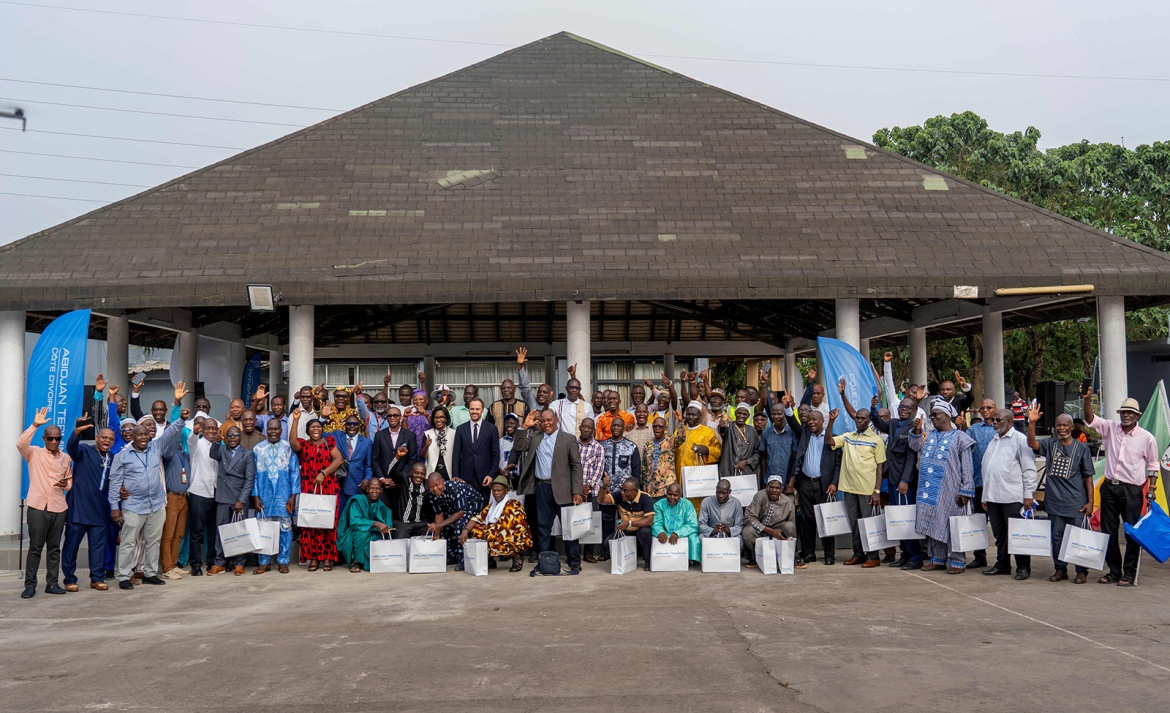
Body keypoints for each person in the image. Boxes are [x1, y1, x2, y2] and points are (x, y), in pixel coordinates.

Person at [1083, 388, 1160, 587]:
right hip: (1109, 488)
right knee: (1108, 532)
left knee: (1131, 532)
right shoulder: (1110, 428)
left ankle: (1129, 573)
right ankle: (1114, 571)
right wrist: (1087, 400)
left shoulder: (1147, 438)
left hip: (1132, 491)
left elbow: (1153, 464)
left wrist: (1151, 488)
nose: (1126, 415)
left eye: (1130, 413)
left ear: (1137, 416)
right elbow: (1090, 419)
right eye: (1123, 412)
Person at [108, 416, 184, 590]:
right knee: (128, 542)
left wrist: (180, 416)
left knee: (153, 540)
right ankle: (124, 576)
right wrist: (114, 506)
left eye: (145, 435)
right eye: (139, 435)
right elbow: (114, 481)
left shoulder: (155, 447)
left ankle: (149, 573)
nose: (143, 437)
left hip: (156, 503)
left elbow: (170, 433)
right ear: (133, 437)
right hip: (133, 505)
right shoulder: (122, 456)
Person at [513, 408, 585, 574]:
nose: (546, 424)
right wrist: (524, 426)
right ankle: (544, 561)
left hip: (564, 489)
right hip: (542, 488)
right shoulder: (535, 437)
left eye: (549, 420)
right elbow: (519, 446)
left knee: (569, 528)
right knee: (543, 527)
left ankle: (574, 561)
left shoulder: (568, 439)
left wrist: (577, 491)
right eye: (543, 421)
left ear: (556, 419)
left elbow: (576, 466)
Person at [1027, 408, 1094, 583]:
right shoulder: (1050, 444)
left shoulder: (1082, 448)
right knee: (1057, 537)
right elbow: (1032, 444)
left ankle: (1081, 571)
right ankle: (1060, 569)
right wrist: (1032, 423)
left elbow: (1088, 477)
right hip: (1054, 502)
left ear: (1072, 427)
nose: (1061, 428)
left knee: (1078, 537)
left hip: (1076, 502)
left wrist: (1090, 502)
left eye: (1065, 425)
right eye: (1058, 425)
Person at [909, 402, 976, 574]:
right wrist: (916, 431)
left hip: (951, 490)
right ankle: (937, 559)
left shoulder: (961, 438)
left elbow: (967, 467)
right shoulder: (929, 434)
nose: (933, 417)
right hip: (928, 489)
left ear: (947, 416)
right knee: (932, 523)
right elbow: (915, 446)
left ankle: (957, 560)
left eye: (936, 414)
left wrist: (966, 490)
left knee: (952, 525)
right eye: (931, 415)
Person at [17, 407, 73, 598]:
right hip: (37, 507)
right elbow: (20, 444)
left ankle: (52, 583)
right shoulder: (33, 453)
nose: (54, 442)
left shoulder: (66, 458)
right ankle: (30, 585)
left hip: (58, 507)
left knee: (54, 548)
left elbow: (70, 481)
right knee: (35, 548)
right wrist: (34, 425)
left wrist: (66, 484)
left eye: (58, 438)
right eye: (51, 438)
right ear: (44, 439)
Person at [979, 408, 1038, 580]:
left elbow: (1029, 469)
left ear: (1010, 421)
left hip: (1013, 496)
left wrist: (1028, 495)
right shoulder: (994, 440)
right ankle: (1002, 564)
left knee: (1017, 534)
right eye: (994, 419)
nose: (995, 422)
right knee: (1000, 535)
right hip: (993, 497)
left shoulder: (1020, 440)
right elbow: (987, 470)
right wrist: (985, 496)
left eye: (999, 419)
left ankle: (1023, 567)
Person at [829, 392, 885, 568]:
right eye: (857, 418)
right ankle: (858, 554)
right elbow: (828, 440)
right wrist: (831, 421)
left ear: (869, 421)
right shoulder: (848, 437)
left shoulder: (876, 440)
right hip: (849, 488)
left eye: (862, 418)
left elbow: (880, 467)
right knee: (854, 523)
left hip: (867, 490)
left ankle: (873, 556)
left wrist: (877, 491)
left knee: (868, 523)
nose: (858, 421)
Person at [869, 395, 925, 570]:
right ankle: (904, 555)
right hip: (892, 478)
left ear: (913, 411)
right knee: (897, 519)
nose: (903, 409)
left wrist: (905, 480)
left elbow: (911, 457)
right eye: (901, 406)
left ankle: (915, 557)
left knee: (906, 519)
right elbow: (879, 423)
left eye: (907, 408)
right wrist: (873, 409)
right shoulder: (893, 423)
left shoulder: (913, 427)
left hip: (903, 481)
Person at [290, 407, 345, 572]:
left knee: (328, 523)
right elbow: (293, 442)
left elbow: (339, 460)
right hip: (309, 487)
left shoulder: (329, 442)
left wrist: (323, 473)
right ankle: (313, 559)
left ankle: (327, 558)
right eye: (312, 427)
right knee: (310, 523)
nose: (316, 429)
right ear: (307, 431)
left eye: (318, 427)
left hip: (328, 487)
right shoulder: (304, 445)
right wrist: (296, 419)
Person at [63, 414, 113, 591]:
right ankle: (69, 579)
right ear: (97, 438)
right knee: (71, 547)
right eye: (104, 437)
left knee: (98, 549)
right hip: (78, 510)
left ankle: (97, 578)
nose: (107, 441)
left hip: (99, 511)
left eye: (111, 439)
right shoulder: (84, 450)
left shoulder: (113, 458)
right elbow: (71, 447)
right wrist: (76, 432)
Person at [790, 410, 842, 565]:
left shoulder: (832, 437)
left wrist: (834, 483)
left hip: (824, 484)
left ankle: (829, 554)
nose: (810, 422)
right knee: (807, 520)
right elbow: (792, 422)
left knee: (826, 519)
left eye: (814, 420)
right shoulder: (805, 435)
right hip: (805, 482)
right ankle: (809, 553)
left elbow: (839, 464)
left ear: (822, 421)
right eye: (809, 420)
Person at [251, 418, 300, 574]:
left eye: (276, 429)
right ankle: (264, 562)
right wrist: (255, 496)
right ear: (266, 430)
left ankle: (283, 561)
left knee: (285, 529)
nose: (273, 432)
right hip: (264, 495)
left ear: (281, 430)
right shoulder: (258, 449)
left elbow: (294, 473)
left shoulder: (288, 448)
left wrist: (293, 496)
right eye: (270, 429)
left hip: (283, 494)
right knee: (263, 529)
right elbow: (254, 476)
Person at [208, 426, 257, 576]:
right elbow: (212, 454)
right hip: (223, 496)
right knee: (221, 530)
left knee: (239, 531)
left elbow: (250, 479)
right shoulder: (222, 450)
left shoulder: (247, 454)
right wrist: (216, 443)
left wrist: (241, 500)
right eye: (229, 435)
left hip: (239, 498)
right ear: (226, 437)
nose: (232, 438)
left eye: (236, 435)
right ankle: (219, 562)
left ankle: (239, 563)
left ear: (240, 437)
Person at [463, 475, 534, 572]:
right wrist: (465, 531)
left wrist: (489, 535)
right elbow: (479, 517)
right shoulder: (492, 505)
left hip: (513, 537)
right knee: (476, 531)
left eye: (499, 490)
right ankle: (490, 559)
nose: (496, 493)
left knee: (496, 539)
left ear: (506, 491)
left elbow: (507, 526)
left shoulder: (513, 505)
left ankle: (517, 556)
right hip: (495, 533)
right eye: (494, 491)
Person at [966, 399, 999, 570]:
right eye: (983, 408)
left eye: (989, 407)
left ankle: (1002, 559)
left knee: (997, 523)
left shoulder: (1002, 429)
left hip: (997, 484)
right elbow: (963, 445)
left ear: (996, 409)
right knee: (979, 521)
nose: (985, 410)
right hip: (978, 482)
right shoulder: (973, 429)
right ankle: (980, 556)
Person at [425, 472, 484, 570]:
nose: (435, 489)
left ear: (443, 482)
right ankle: (451, 556)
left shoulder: (455, 488)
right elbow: (439, 514)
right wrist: (437, 535)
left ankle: (463, 559)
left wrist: (438, 526)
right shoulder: (432, 495)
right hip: (454, 509)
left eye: (437, 485)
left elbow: (460, 513)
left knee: (458, 525)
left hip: (472, 505)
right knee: (444, 528)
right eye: (431, 487)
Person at [596, 476, 656, 570]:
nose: (622, 493)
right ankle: (627, 559)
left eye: (626, 491)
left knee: (645, 532)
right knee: (608, 543)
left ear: (635, 491)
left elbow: (649, 520)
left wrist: (629, 523)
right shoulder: (620, 496)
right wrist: (604, 487)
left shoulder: (645, 498)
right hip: (626, 531)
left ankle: (648, 561)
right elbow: (601, 500)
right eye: (621, 489)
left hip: (639, 529)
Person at [336, 478, 394, 572]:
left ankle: (373, 561)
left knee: (376, 538)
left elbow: (387, 525)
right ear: (367, 489)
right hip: (355, 531)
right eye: (371, 488)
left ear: (381, 490)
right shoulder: (358, 501)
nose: (374, 491)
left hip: (374, 533)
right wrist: (376, 523)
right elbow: (355, 521)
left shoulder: (382, 506)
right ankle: (356, 561)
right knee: (363, 533)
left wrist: (386, 529)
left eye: (377, 489)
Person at [186, 417, 220, 576]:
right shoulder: (197, 444)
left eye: (214, 429)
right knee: (197, 532)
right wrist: (194, 432)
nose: (211, 431)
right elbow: (191, 442)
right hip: (199, 492)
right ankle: (196, 565)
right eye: (208, 428)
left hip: (216, 493)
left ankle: (211, 562)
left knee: (213, 532)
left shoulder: (219, 446)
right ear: (203, 429)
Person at [371, 405, 418, 520]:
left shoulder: (410, 435)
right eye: (389, 416)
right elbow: (375, 459)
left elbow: (413, 459)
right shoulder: (379, 435)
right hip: (384, 484)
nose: (392, 418)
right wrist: (382, 478)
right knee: (383, 516)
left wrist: (403, 476)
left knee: (400, 517)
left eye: (395, 415)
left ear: (400, 417)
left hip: (402, 484)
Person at [742, 476, 798, 566]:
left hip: (779, 532)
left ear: (782, 489)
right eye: (771, 487)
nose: (774, 490)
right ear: (767, 487)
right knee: (747, 531)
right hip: (760, 531)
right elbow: (748, 518)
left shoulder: (788, 502)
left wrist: (784, 536)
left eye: (777, 488)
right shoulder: (760, 495)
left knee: (790, 526)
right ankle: (756, 558)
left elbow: (792, 524)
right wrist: (771, 531)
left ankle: (791, 556)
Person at [453, 397, 500, 499]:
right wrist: (456, 476)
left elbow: (496, 454)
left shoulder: (491, 429)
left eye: (477, 409)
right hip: (464, 478)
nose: (474, 412)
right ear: (469, 410)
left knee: (483, 511)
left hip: (484, 478)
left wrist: (491, 475)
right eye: (472, 409)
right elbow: (456, 454)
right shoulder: (460, 429)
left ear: (482, 410)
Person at [577, 418, 607, 563]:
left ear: (593, 430)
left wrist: (587, 486)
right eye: (584, 427)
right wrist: (578, 488)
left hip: (592, 492)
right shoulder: (572, 445)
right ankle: (575, 552)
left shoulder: (598, 448)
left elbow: (599, 470)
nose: (587, 430)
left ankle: (589, 553)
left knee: (592, 522)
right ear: (580, 427)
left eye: (590, 427)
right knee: (575, 522)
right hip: (575, 492)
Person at [652, 483, 700, 564]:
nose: (672, 497)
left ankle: (691, 559)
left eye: (675, 495)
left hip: (684, 533)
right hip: (665, 532)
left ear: (680, 495)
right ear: (666, 493)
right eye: (669, 494)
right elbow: (656, 522)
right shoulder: (659, 505)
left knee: (693, 536)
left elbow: (692, 524)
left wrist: (678, 533)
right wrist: (660, 531)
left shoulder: (687, 504)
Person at [336, 414, 373, 510]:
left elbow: (368, 465)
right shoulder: (338, 437)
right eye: (349, 424)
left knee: (354, 512)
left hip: (356, 483)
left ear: (359, 425)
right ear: (345, 425)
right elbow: (321, 434)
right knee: (339, 514)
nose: (352, 426)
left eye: (355, 424)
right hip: (338, 481)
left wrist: (367, 478)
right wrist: (322, 418)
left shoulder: (366, 442)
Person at [642, 416, 684, 500]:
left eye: (660, 426)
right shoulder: (648, 445)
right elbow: (644, 467)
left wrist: (681, 422)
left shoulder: (670, 441)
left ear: (665, 428)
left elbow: (682, 438)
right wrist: (644, 486)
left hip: (667, 488)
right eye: (655, 426)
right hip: (651, 489)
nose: (657, 428)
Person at [758, 402, 798, 491]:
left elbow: (796, 459)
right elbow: (763, 457)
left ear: (785, 414)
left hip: (786, 480)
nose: (776, 417)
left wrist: (791, 481)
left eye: (779, 414)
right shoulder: (766, 433)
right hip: (770, 480)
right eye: (773, 414)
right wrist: (765, 479)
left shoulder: (792, 433)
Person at [549, 364, 595, 437]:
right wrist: (546, 403)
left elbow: (591, 427)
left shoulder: (586, 406)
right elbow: (547, 414)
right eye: (571, 388)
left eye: (576, 388)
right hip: (562, 443)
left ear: (580, 390)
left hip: (580, 444)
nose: (574, 390)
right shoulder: (556, 404)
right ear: (566, 389)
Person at [719, 403, 760, 482]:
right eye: (739, 413)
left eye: (744, 414)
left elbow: (757, 453)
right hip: (728, 469)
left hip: (745, 471)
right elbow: (722, 430)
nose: (741, 416)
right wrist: (722, 426)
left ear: (748, 416)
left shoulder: (752, 430)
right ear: (735, 414)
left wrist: (747, 462)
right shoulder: (728, 426)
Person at [395, 463, 434, 539]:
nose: (419, 476)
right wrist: (398, 457)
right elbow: (392, 471)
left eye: (422, 474)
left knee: (430, 535)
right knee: (400, 543)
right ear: (411, 472)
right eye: (416, 473)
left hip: (420, 523)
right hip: (402, 523)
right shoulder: (403, 481)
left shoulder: (427, 486)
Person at [421, 406, 455, 480]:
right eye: (436, 417)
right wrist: (426, 446)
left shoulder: (454, 433)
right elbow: (423, 456)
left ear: (446, 419)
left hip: (449, 473)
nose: (438, 420)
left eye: (442, 417)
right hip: (432, 473)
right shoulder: (427, 434)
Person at [403, 385, 432, 451]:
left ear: (426, 401)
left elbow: (435, 428)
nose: (418, 401)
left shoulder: (431, 413)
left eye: (421, 399)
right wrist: (405, 417)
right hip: (413, 448)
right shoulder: (411, 415)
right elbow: (405, 432)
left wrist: (426, 415)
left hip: (428, 447)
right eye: (415, 400)